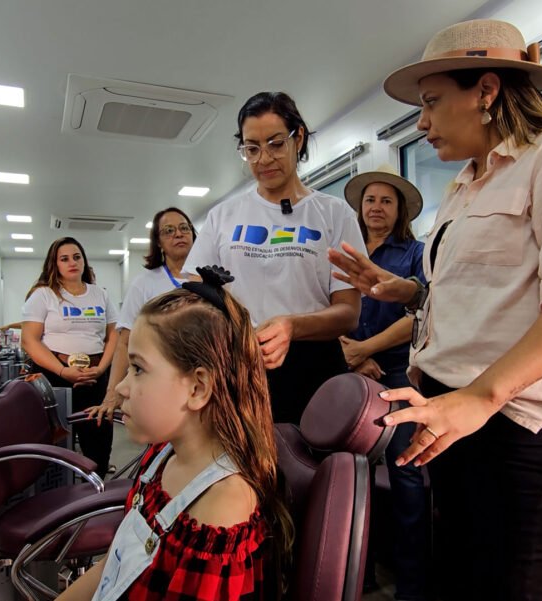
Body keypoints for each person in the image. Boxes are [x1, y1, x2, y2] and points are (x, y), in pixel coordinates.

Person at [329, 20, 542, 601]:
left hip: (521, 428)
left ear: (487, 91)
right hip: (455, 417)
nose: (421, 123)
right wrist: (404, 291)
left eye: (432, 102)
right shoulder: (466, 185)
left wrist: (479, 399)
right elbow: (483, 294)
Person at [57, 267, 292, 601]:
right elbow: (112, 565)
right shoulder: (162, 456)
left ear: (198, 387)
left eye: (137, 369)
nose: (122, 387)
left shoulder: (222, 505)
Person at [184, 91, 366, 424]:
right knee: (248, 471)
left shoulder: (334, 214)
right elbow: (196, 292)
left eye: (275, 144)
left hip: (314, 366)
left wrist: (292, 326)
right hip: (240, 362)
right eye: (251, 148)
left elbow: (348, 313)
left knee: (314, 470)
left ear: (299, 139)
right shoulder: (223, 216)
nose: (264, 158)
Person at [339, 167, 428, 601]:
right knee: (346, 477)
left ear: (400, 211)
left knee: (406, 474)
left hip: (395, 374)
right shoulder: (345, 251)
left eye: (386, 201)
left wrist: (365, 349)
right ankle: (358, 575)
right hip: (344, 371)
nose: (376, 207)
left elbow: (418, 313)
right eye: (370, 199)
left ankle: (411, 586)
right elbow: (326, 304)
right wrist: (350, 354)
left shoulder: (414, 255)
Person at [21, 237, 118, 477]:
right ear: (55, 264)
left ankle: (96, 492)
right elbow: (29, 340)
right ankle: (57, 497)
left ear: (84, 261)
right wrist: (63, 371)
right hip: (56, 376)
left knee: (99, 439)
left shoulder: (100, 295)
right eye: (64, 259)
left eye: (77, 257)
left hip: (95, 376)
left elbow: (114, 336)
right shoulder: (43, 295)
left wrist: (103, 367)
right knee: (56, 441)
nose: (72, 262)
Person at [90, 207, 196, 426]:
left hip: (204, 380)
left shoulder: (209, 277)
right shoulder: (145, 283)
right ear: (158, 242)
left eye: (184, 228)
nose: (178, 234)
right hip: (162, 384)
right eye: (169, 230)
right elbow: (124, 341)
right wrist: (113, 393)